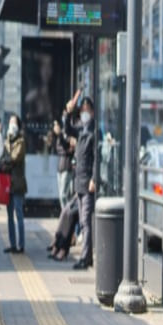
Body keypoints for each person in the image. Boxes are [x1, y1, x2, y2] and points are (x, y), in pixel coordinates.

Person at [65, 90, 96, 270]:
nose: (84, 112)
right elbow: (67, 129)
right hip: (79, 182)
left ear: (92, 112)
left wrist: (94, 179)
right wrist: (69, 111)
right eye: (82, 109)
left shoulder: (92, 133)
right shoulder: (81, 130)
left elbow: (96, 159)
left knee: (85, 221)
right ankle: (86, 257)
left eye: (87, 109)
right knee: (82, 221)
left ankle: (85, 257)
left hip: (88, 183)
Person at [3, 114, 27, 254]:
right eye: (10, 122)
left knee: (19, 214)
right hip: (7, 185)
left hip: (17, 184)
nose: (11, 124)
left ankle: (21, 245)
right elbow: (2, 156)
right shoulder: (8, 140)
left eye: (14, 122)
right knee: (9, 216)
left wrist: (6, 159)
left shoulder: (21, 142)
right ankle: (12, 244)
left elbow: (13, 158)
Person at [48, 194, 80, 261]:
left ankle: (63, 248)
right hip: (80, 197)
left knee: (70, 215)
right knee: (64, 211)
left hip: (87, 198)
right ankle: (57, 244)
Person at [53, 118, 74, 210]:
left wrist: (60, 135)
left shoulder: (67, 134)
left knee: (64, 194)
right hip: (60, 167)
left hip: (67, 166)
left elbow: (65, 145)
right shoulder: (57, 137)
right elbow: (58, 148)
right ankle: (65, 213)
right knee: (62, 195)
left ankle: (66, 214)